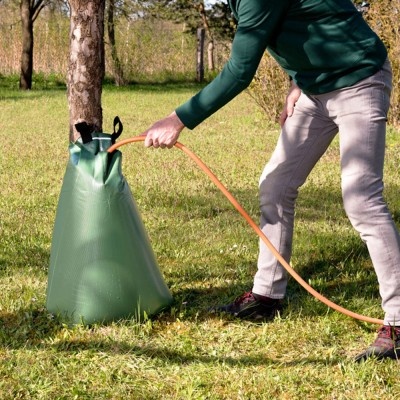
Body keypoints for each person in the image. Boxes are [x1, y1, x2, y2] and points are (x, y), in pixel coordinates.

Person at [142, 0, 400, 361]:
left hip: (359, 79)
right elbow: (302, 24)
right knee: (275, 186)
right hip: (314, 89)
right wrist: (297, 81)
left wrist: (178, 118)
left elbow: (240, 70)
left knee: (361, 198)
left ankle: (399, 319)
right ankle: (267, 296)